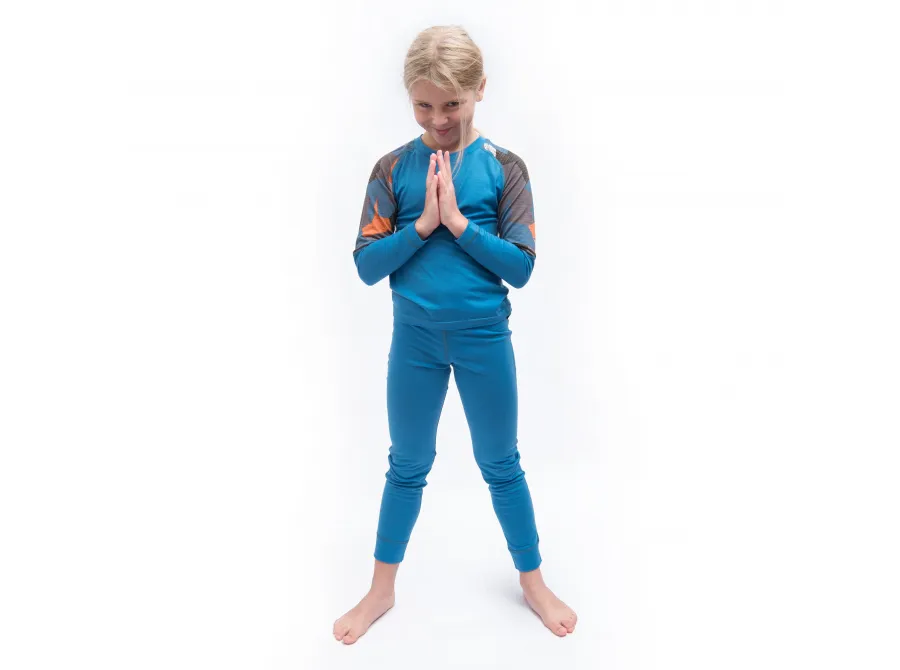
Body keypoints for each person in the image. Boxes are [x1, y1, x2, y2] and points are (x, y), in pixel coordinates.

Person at [333, 25, 577, 644]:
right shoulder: (392, 169)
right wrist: (421, 226)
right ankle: (381, 589)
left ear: (479, 90)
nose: (438, 118)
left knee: (501, 463)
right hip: (414, 343)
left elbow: (521, 268)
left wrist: (459, 224)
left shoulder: (505, 168)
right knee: (406, 464)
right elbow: (366, 266)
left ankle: (532, 581)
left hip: (483, 340)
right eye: (424, 104)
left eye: (452, 103)